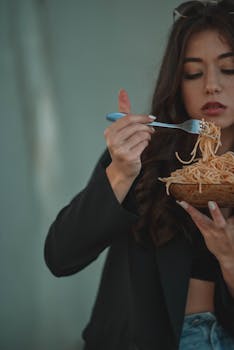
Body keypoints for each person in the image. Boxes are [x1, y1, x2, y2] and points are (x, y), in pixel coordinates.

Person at [44, 1, 234, 349]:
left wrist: (229, 258)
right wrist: (119, 173)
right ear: (176, 82)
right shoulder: (143, 157)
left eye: (229, 69)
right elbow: (60, 257)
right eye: (193, 73)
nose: (211, 85)